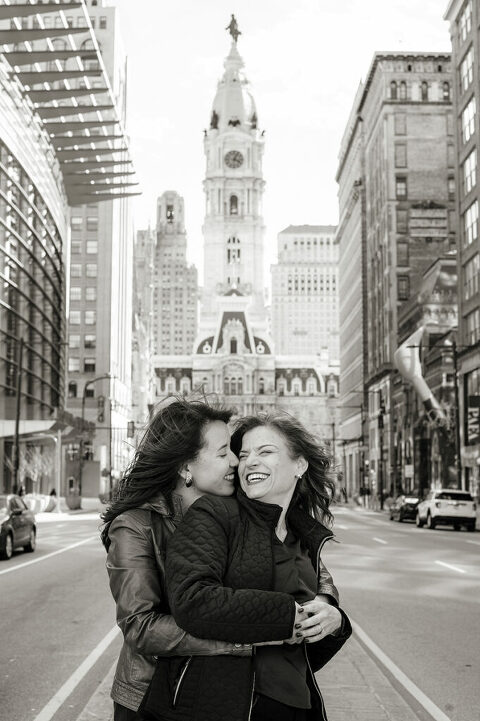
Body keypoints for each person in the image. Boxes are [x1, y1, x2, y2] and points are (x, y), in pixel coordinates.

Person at [147, 413, 351, 721]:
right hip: (227, 705)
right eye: (243, 455)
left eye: (265, 451)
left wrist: (335, 622)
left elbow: (304, 646)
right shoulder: (215, 514)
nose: (249, 462)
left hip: (297, 705)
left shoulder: (304, 536)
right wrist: (287, 615)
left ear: (300, 465)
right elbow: (192, 600)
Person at [100, 399, 244, 721]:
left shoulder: (237, 514)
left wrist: (324, 597)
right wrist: (241, 638)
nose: (235, 460)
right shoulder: (136, 526)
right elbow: (141, 626)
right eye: (222, 453)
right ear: (185, 467)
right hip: (151, 696)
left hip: (218, 693)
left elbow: (294, 552)